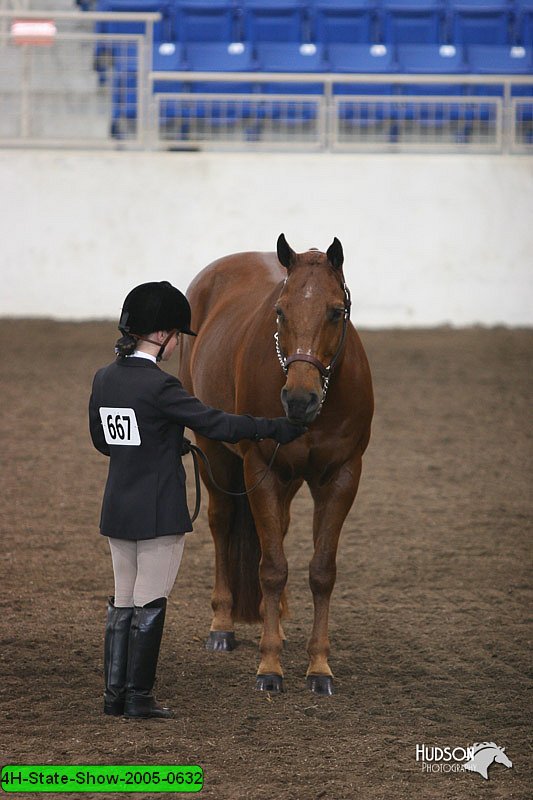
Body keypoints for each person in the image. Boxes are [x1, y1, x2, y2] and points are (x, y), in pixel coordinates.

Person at [89, 281, 305, 720]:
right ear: (164, 335)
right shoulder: (161, 387)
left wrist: (146, 444)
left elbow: (102, 441)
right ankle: (139, 697)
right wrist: (275, 429)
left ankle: (115, 695)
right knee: (149, 602)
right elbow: (217, 424)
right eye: (176, 337)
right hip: (157, 509)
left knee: (123, 601)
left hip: (117, 505)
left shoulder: (105, 378)